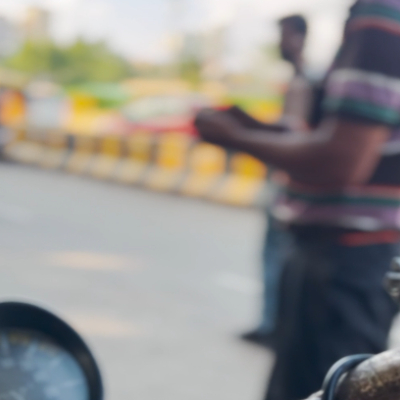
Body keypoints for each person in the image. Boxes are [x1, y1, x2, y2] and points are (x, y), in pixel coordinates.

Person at [195, 0, 400, 398]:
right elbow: (330, 138)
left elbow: (341, 159)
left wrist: (235, 137)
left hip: (345, 261)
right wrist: (251, 127)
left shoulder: (380, 15)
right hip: (344, 259)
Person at [242, 14, 313, 348]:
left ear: (299, 36)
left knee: (278, 258)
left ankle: (275, 325)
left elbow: (296, 137)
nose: (280, 43)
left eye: (285, 35)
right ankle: (272, 323)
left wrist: (241, 135)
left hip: (290, 187)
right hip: (286, 183)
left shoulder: (308, 80)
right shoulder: (302, 78)